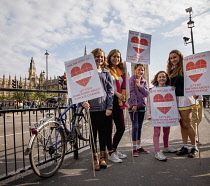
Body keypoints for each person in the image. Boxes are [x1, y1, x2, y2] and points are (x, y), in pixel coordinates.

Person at [82, 48, 114, 171]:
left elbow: (110, 91)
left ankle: (102, 157)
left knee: (103, 134)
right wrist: (83, 102)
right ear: (92, 57)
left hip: (103, 108)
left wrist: (109, 107)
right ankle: (94, 158)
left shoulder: (106, 73)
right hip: (92, 109)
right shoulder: (86, 73)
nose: (99, 59)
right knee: (92, 135)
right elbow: (81, 90)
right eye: (97, 56)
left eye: (101, 57)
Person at [166, 49, 198, 158]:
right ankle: (185, 146)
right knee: (181, 124)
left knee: (187, 123)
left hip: (184, 98)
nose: (173, 59)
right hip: (175, 100)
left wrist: (197, 92)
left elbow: (194, 80)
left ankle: (194, 147)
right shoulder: (171, 71)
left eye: (175, 57)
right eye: (171, 58)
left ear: (180, 57)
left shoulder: (185, 68)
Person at [147, 71, 177, 161]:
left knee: (167, 131)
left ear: (166, 78)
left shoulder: (171, 89)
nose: (161, 78)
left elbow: (174, 103)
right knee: (156, 133)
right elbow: (149, 103)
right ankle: (157, 152)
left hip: (167, 114)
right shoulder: (152, 90)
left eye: (163, 77)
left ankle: (166, 147)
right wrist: (148, 114)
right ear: (157, 79)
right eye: (160, 77)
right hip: (156, 115)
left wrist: (177, 115)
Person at [106, 49, 127, 163]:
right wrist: (116, 93)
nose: (116, 59)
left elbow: (124, 85)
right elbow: (106, 85)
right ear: (109, 57)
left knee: (121, 128)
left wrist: (124, 97)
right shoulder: (106, 70)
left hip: (119, 101)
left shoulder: (120, 70)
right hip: (110, 99)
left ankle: (114, 149)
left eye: (118, 57)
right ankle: (110, 152)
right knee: (108, 128)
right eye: (114, 56)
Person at [127, 64, 149, 157]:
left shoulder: (144, 81)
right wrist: (134, 104)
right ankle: (134, 148)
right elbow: (131, 92)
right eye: (139, 70)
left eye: (142, 70)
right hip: (133, 107)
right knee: (135, 126)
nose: (140, 72)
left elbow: (147, 93)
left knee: (139, 126)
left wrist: (139, 86)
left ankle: (139, 146)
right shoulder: (131, 79)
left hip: (142, 105)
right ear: (135, 70)